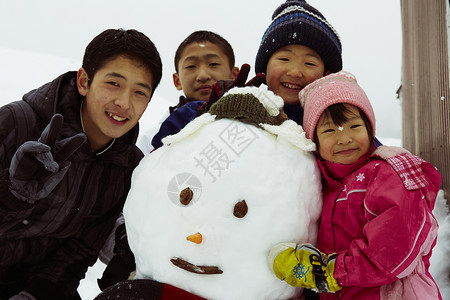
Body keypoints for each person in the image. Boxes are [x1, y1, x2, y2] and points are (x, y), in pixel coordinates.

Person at [0, 28, 162, 300]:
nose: (124, 102)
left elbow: (78, 250)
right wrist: (10, 193)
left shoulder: (128, 167)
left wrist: (36, 294)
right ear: (84, 81)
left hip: (38, 286)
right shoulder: (17, 122)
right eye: (114, 83)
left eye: (139, 92)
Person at [267, 71, 442, 299]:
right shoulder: (326, 186)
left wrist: (327, 272)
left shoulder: (386, 174)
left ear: (370, 130)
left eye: (354, 126)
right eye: (329, 130)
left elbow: (392, 251)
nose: (344, 137)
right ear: (315, 140)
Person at [137, 30, 240, 153]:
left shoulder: (253, 123)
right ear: (177, 80)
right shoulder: (154, 139)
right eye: (191, 66)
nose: (202, 75)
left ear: (235, 75)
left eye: (213, 64)